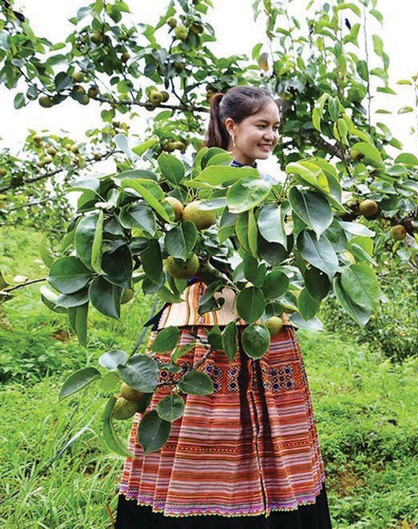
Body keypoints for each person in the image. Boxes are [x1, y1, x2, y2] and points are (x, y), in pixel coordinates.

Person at [116, 86, 332, 529]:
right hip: (205, 319)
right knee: (200, 423)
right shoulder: (203, 186)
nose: (270, 135)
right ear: (231, 127)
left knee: (269, 430)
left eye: (275, 127)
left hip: (261, 316)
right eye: (261, 126)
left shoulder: (273, 191)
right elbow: (181, 253)